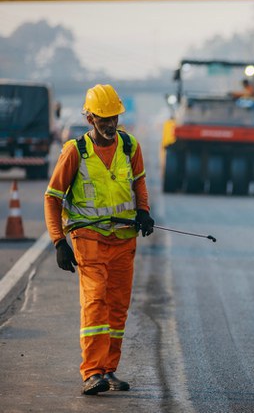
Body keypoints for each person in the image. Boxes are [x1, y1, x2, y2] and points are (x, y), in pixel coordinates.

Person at [44, 84, 154, 396]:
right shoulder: (74, 151)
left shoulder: (130, 147)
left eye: (114, 118)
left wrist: (144, 212)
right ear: (90, 118)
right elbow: (52, 198)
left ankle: (108, 369)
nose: (109, 124)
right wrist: (58, 242)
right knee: (95, 304)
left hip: (123, 241)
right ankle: (92, 372)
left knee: (118, 308)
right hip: (88, 239)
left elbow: (139, 183)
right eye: (103, 119)